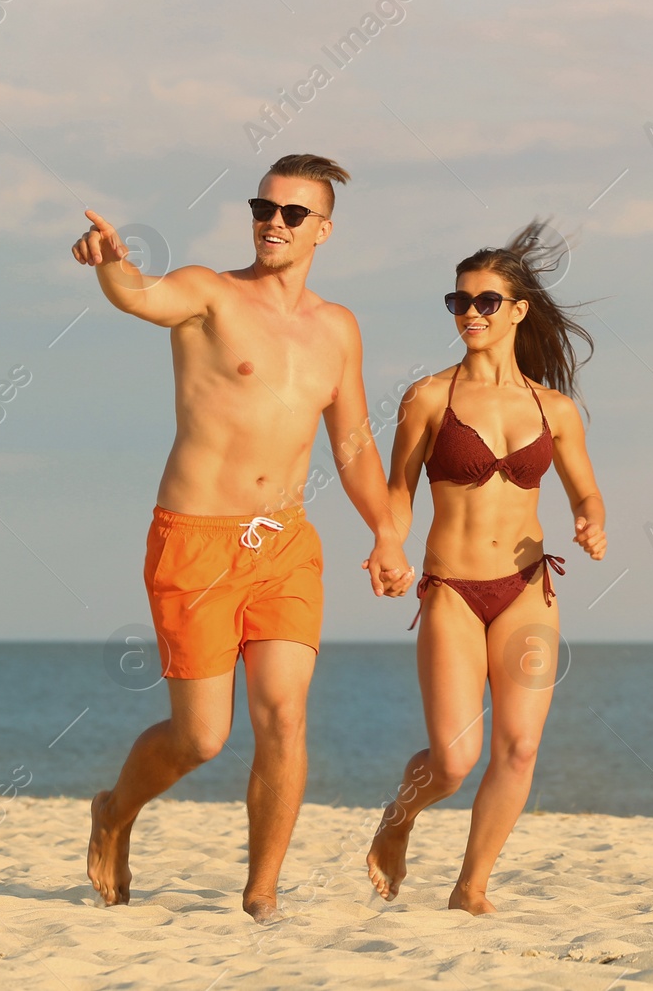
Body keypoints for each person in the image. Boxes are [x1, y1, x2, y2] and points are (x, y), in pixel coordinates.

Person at [72, 154, 413, 922]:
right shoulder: (210, 293)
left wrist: (386, 532)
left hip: (284, 543)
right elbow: (143, 295)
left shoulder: (337, 328)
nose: (274, 221)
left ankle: (261, 891)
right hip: (194, 540)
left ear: (323, 229)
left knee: (285, 713)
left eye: (294, 213)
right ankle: (114, 812)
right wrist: (110, 263)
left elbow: (354, 445)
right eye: (265, 206)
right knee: (201, 738)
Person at [365, 219, 606, 915]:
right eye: (459, 301)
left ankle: (471, 886)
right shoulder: (428, 398)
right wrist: (389, 546)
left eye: (485, 301)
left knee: (521, 746)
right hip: (453, 592)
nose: (469, 312)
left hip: (528, 588)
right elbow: (397, 490)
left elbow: (584, 487)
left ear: (518, 310)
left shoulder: (553, 408)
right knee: (453, 760)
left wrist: (591, 517)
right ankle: (399, 819)